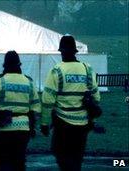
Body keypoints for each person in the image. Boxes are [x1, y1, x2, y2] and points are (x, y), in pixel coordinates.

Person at [40, 34, 101, 171]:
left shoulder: (57, 70)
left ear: (61, 52)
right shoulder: (87, 69)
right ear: (75, 52)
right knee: (77, 159)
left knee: (62, 157)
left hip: (63, 124)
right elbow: (96, 98)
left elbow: (47, 101)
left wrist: (44, 123)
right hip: (82, 125)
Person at [0, 50, 41, 171]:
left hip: (4, 130)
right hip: (24, 129)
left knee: (1, 161)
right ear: (19, 65)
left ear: (5, 65)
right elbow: (36, 108)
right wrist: (33, 127)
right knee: (19, 162)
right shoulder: (29, 82)